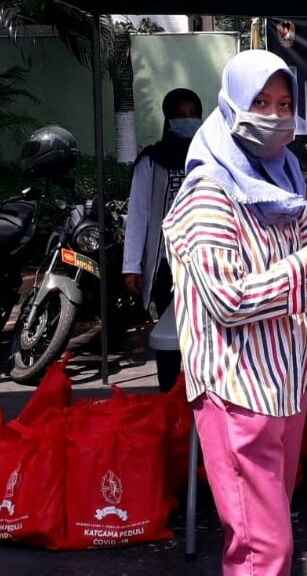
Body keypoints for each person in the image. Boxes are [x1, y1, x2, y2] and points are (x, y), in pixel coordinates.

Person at [161, 50, 307, 576]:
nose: (276, 116)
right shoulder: (207, 195)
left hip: (286, 382)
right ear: (231, 105)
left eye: (284, 105)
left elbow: (297, 287)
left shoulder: (283, 182)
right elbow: (229, 300)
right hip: (238, 389)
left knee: (270, 531)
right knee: (263, 549)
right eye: (260, 103)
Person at [123, 87, 203, 391]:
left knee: (203, 335)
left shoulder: (211, 155)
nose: (188, 121)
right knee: (169, 336)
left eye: (193, 114)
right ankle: (169, 395)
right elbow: (139, 213)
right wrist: (132, 265)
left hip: (206, 261)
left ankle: (200, 395)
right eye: (180, 116)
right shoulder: (152, 161)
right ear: (168, 120)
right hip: (166, 263)